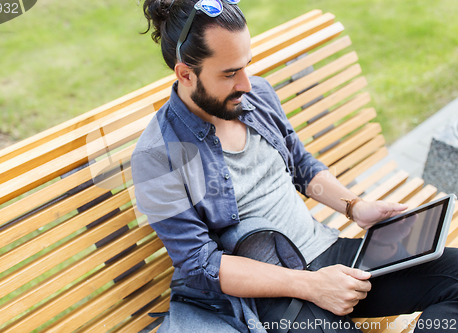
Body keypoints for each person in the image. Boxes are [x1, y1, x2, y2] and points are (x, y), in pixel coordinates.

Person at [131, 0, 458, 332]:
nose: (246, 83)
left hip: (330, 254)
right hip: (272, 295)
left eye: (247, 65)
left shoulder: (256, 96)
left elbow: (301, 165)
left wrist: (355, 207)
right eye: (230, 73)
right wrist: (311, 285)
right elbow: (202, 265)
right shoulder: (157, 157)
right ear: (186, 73)